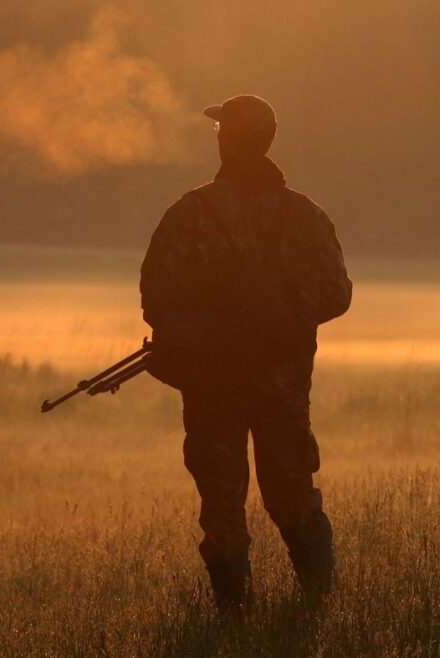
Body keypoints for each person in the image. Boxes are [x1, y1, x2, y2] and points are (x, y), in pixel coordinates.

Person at [139, 94, 352, 613]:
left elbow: (156, 298)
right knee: (294, 493)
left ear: (225, 139)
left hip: (212, 384)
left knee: (222, 506)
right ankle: (320, 610)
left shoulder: (190, 213)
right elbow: (337, 294)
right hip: (283, 382)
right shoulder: (307, 215)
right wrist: (281, 317)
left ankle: (235, 620)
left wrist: (210, 326)